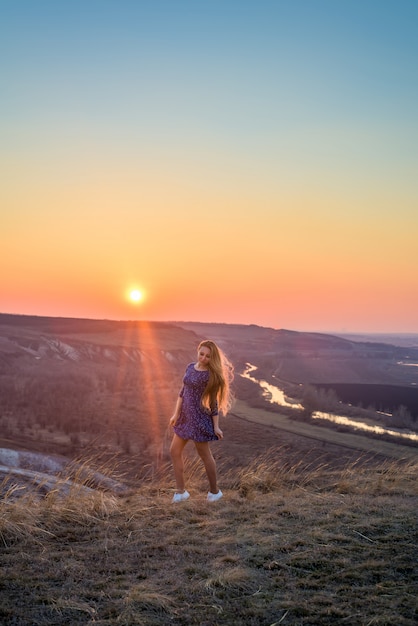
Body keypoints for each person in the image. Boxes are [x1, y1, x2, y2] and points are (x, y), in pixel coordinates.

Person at [169, 339, 234, 503]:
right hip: (184, 418)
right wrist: (175, 414)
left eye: (208, 356)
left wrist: (216, 426)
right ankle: (180, 492)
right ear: (198, 351)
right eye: (202, 354)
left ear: (213, 359)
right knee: (174, 451)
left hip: (199, 420)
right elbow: (182, 392)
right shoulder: (190, 367)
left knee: (204, 455)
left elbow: (213, 402)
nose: (203, 358)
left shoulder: (210, 376)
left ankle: (214, 492)